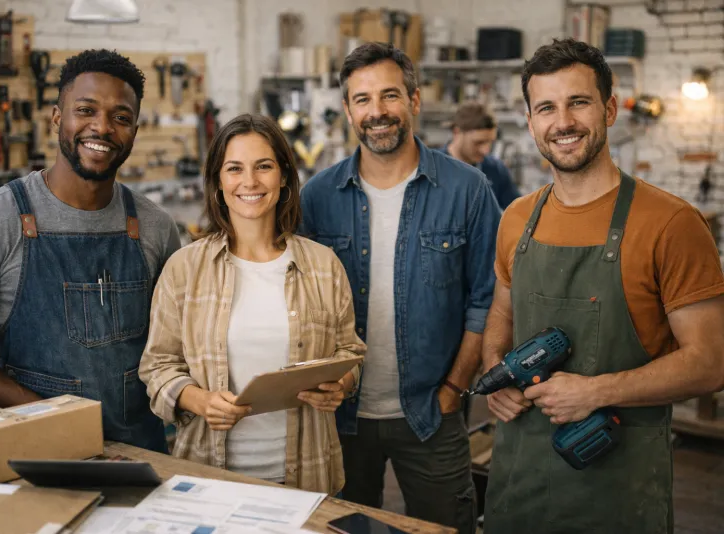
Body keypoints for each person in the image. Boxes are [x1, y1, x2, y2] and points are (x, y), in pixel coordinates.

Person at [481, 38, 724, 534]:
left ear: (609, 109)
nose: (563, 122)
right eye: (546, 107)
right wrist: (494, 373)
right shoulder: (516, 219)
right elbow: (502, 317)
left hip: (617, 487)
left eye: (579, 102)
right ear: (530, 122)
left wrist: (594, 392)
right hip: (518, 481)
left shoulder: (672, 223)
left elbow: (711, 363)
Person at [0, 49, 181, 452]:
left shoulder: (154, 226)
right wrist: (41, 412)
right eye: (86, 110)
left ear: (134, 130)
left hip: (142, 454)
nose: (102, 127)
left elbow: (173, 345)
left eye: (121, 117)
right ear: (57, 117)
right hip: (40, 451)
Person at [300, 42, 501, 532]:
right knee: (341, 529)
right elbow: (299, 303)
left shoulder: (468, 189)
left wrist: (454, 389)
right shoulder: (316, 196)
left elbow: (489, 299)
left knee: (447, 527)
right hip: (339, 419)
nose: (377, 112)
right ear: (348, 110)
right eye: (363, 99)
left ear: (414, 100)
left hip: (432, 413)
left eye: (389, 96)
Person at [138, 113, 365, 495]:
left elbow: (350, 351)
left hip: (309, 476)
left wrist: (340, 383)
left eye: (264, 166)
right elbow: (158, 366)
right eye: (234, 169)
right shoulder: (185, 268)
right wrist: (201, 400)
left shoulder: (324, 265)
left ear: (284, 178)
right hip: (209, 479)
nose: (250, 182)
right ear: (218, 182)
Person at [441, 102, 520, 209]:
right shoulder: (432, 169)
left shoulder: (495, 169)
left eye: (490, 142)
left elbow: (518, 213)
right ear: (457, 132)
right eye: (478, 143)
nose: (485, 151)